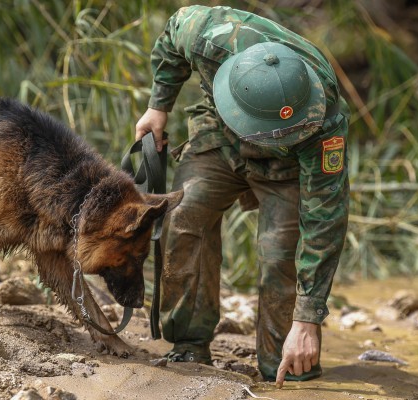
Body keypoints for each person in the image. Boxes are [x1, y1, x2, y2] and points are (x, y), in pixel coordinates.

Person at [135, 5, 350, 388]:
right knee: (183, 217)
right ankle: (188, 345)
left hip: (287, 169)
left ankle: (285, 364)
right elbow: (171, 37)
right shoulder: (207, 33)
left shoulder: (325, 121)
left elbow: (324, 223)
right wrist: (158, 106)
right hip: (218, 136)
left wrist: (308, 320)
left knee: (280, 252)